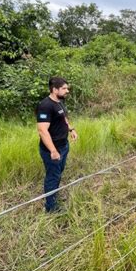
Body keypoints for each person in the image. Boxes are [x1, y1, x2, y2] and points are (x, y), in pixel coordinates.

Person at [36, 77, 78, 213]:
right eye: (64, 88)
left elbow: (63, 118)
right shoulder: (45, 106)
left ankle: (54, 195)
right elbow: (42, 131)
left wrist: (71, 129)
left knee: (58, 173)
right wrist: (53, 151)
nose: (67, 91)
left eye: (67, 88)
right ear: (55, 90)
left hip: (63, 146)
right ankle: (51, 208)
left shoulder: (59, 102)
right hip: (52, 150)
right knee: (52, 176)